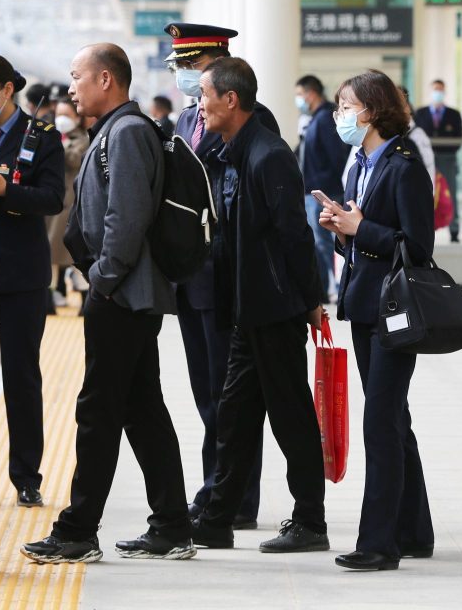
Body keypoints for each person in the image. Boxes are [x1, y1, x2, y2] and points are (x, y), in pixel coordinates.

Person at [22, 43, 194, 564]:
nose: (71, 88)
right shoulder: (117, 131)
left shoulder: (127, 133)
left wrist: (103, 278)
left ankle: (77, 531)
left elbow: (127, 216)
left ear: (105, 80)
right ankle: (171, 524)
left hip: (120, 295)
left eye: (77, 77)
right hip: (124, 292)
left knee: (97, 412)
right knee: (142, 410)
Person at [187, 58, 329, 555]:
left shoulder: (269, 156)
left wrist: (311, 300)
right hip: (249, 309)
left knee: (290, 415)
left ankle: (310, 520)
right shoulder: (233, 153)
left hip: (275, 308)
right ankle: (218, 517)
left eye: (204, 93)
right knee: (236, 414)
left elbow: (296, 237)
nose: (198, 103)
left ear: (231, 99)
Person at [318, 70, 436, 572]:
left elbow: (418, 247)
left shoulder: (405, 167)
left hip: (394, 310)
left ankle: (379, 542)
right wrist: (342, 230)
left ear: (369, 110)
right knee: (393, 417)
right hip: (364, 305)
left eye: (346, 105)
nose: (339, 113)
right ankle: (414, 530)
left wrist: (362, 228)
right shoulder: (359, 166)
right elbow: (363, 238)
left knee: (380, 422)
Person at [163, 21, 266, 529]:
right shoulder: (186, 120)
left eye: (191, 66)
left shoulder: (251, 123)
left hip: (226, 276)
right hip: (192, 276)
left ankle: (237, 497)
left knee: (233, 394)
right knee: (207, 392)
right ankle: (214, 489)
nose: (185, 78)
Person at [0, 53, 64, 508]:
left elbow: (52, 198)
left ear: (7, 90)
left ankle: (27, 475)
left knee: (22, 376)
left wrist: (9, 192)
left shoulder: (41, 136)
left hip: (22, 273)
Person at [295, 75, 351, 299]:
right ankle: (327, 288)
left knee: (327, 242)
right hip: (315, 189)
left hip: (326, 190)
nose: (298, 99)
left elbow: (336, 155)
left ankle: (335, 288)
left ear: (310, 93)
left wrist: (333, 187)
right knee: (321, 243)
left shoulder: (326, 118)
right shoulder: (314, 119)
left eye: (300, 94)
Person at [47, 98, 89, 306]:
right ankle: (50, 299)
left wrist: (58, 145)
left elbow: (74, 159)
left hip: (71, 204)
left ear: (77, 117)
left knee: (74, 256)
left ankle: (83, 298)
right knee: (51, 257)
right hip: (56, 204)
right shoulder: (53, 136)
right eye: (58, 115)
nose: (61, 120)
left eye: (67, 115)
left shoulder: (83, 139)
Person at [413, 80, 462, 242]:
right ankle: (424, 228)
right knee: (424, 192)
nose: (438, 93)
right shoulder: (420, 114)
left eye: (441, 90)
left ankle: (454, 229)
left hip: (447, 160)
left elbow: (458, 139)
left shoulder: (453, 115)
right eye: (435, 90)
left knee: (451, 193)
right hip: (425, 161)